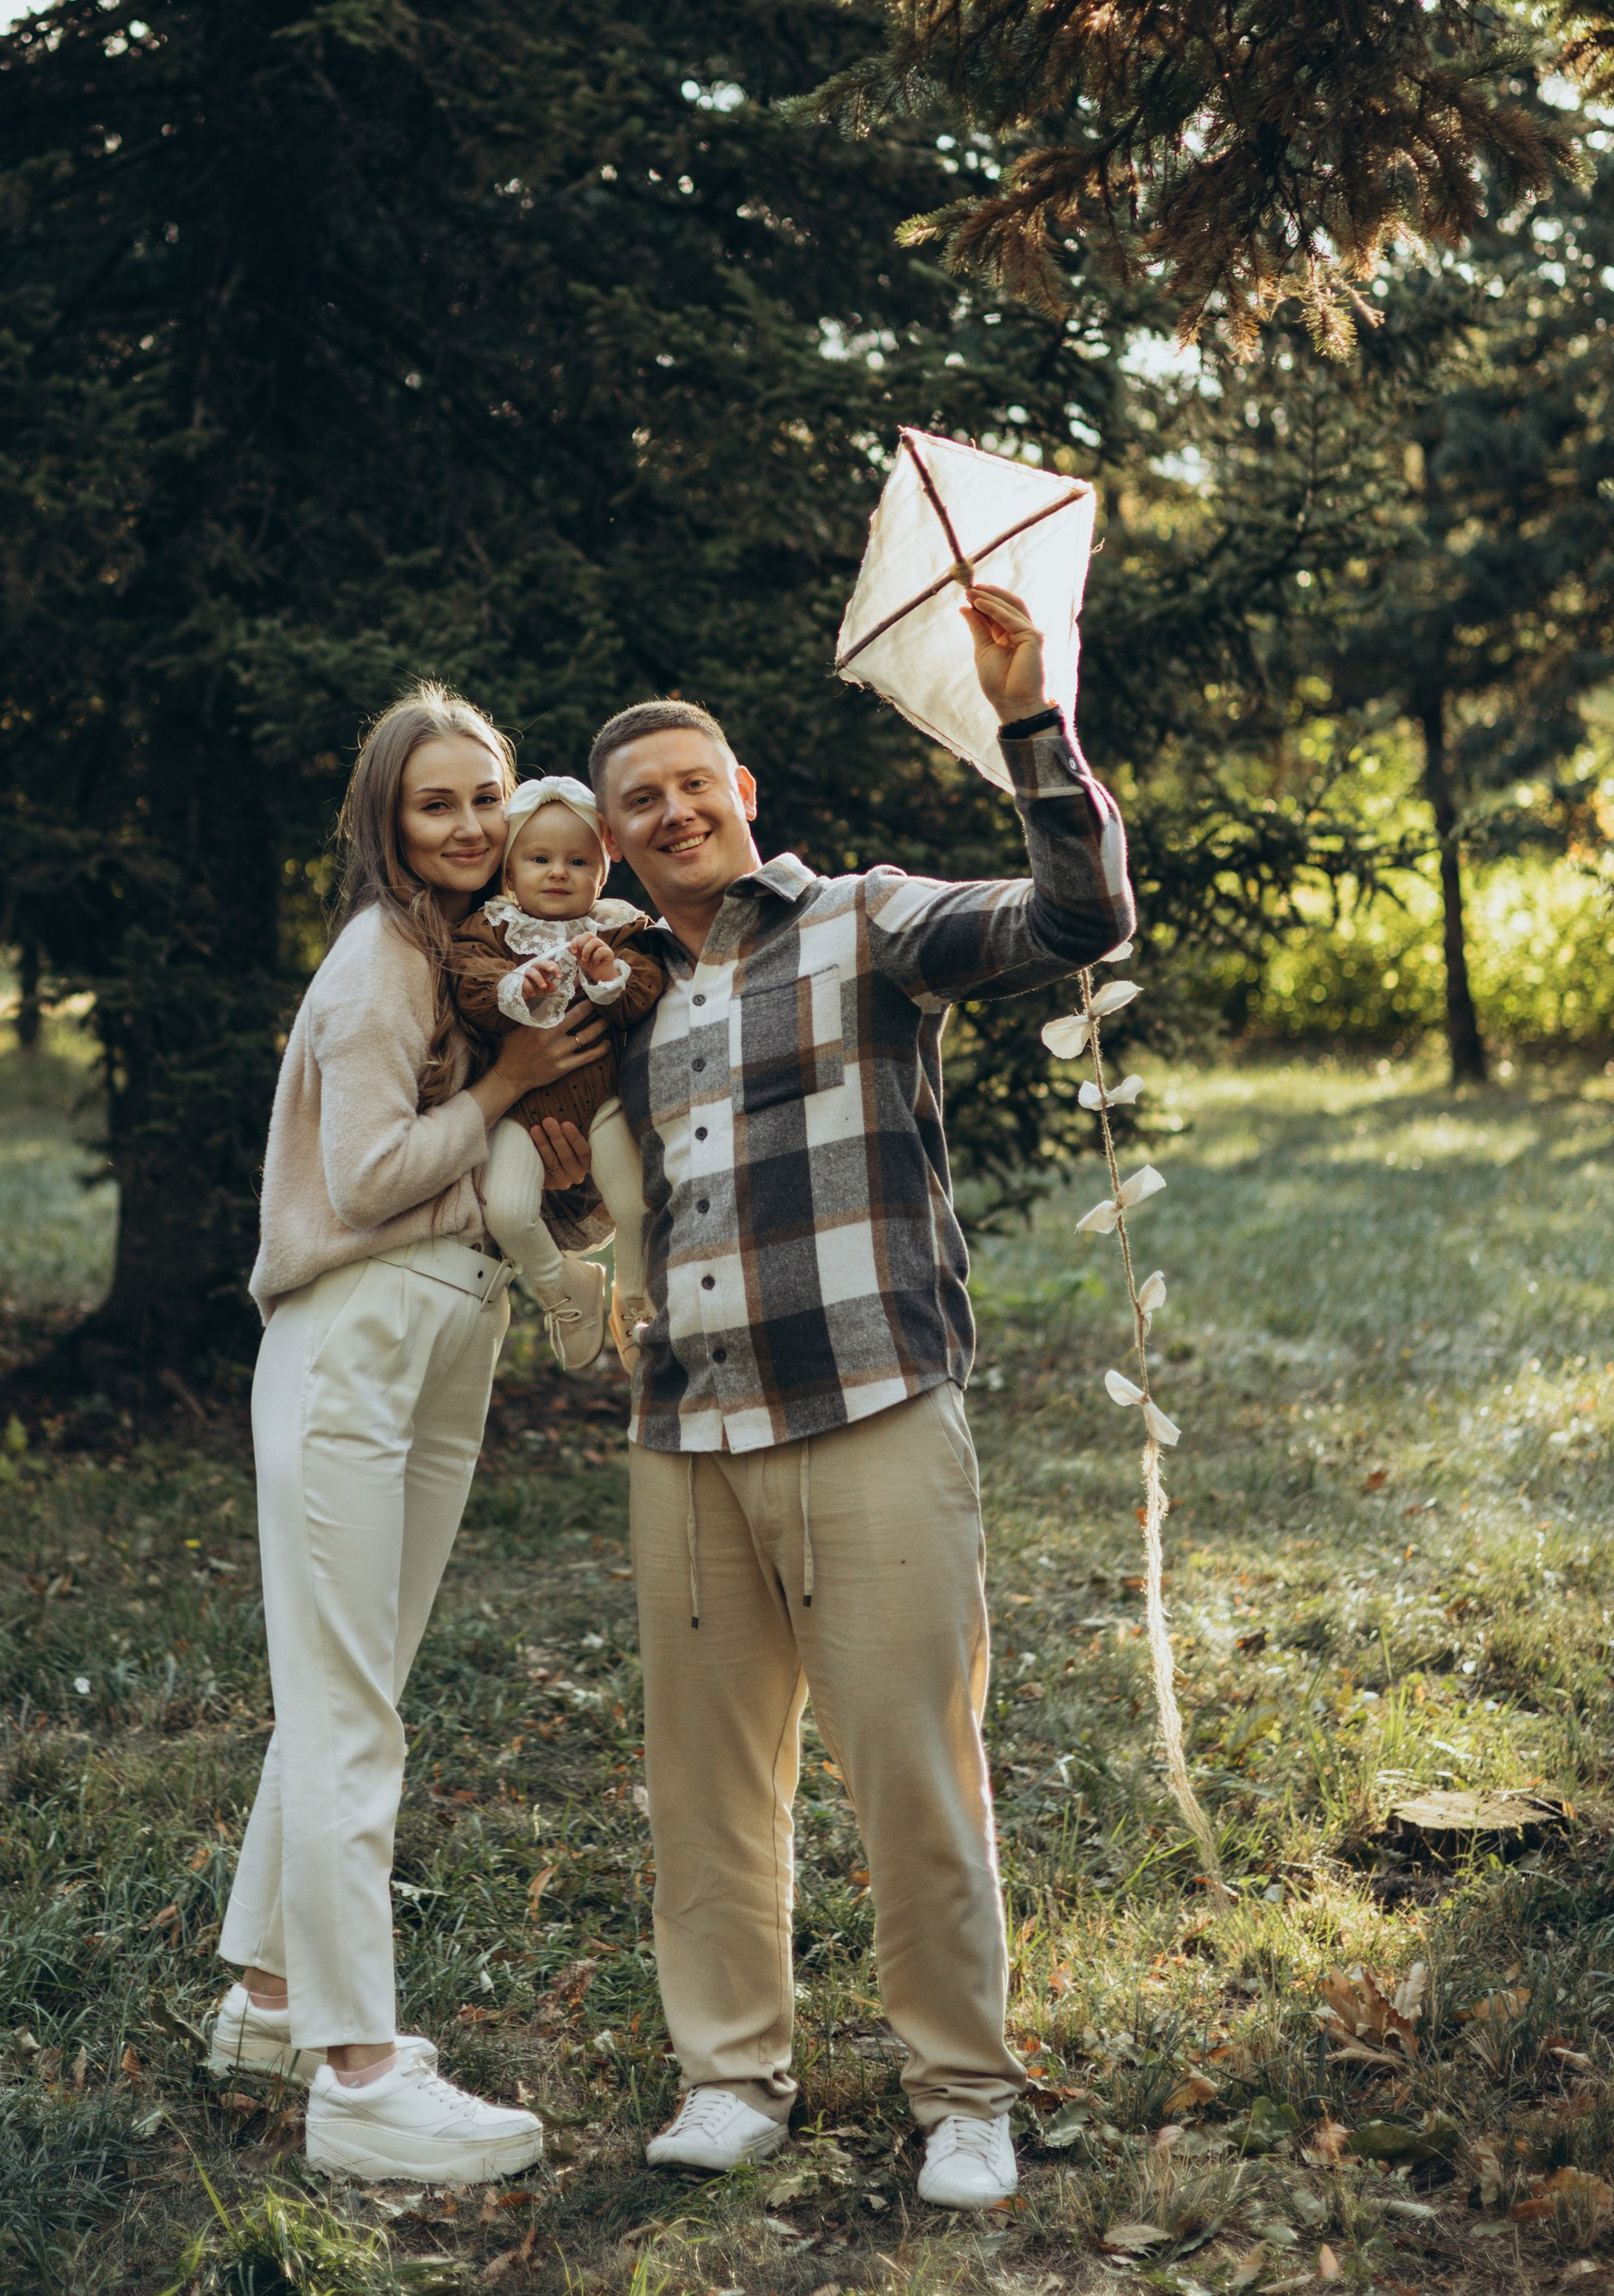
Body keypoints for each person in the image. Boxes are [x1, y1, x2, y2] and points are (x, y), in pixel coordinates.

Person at [564, 585, 1131, 2210]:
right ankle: (730, 2076)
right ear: (613, 841)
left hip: (869, 1402)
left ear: (745, 798)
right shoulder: (618, 996)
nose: (673, 811)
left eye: (695, 783)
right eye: (639, 802)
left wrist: (1033, 721)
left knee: (911, 1758)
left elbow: (1076, 921)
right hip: (685, 1430)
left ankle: (964, 2092)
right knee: (706, 1782)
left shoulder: (868, 920)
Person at [205, 685, 607, 2184]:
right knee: (343, 1703)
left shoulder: (484, 952)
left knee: (357, 1677)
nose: (469, 826)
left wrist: (549, 1137)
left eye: (487, 797)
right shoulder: (381, 963)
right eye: (435, 804)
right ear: (388, 820)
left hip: (453, 1323)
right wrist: (506, 1088)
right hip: (355, 1332)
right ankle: (360, 2075)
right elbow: (368, 1176)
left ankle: (265, 1998)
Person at [448, 775, 667, 1369]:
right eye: (539, 858)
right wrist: (516, 985)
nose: (557, 872)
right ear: (509, 871)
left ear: (602, 872)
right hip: (520, 1110)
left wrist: (607, 976)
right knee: (508, 1210)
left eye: (577, 860)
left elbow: (646, 989)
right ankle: (561, 1286)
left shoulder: (622, 929)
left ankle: (638, 1299)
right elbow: (471, 987)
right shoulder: (491, 930)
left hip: (603, 1103)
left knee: (633, 1202)